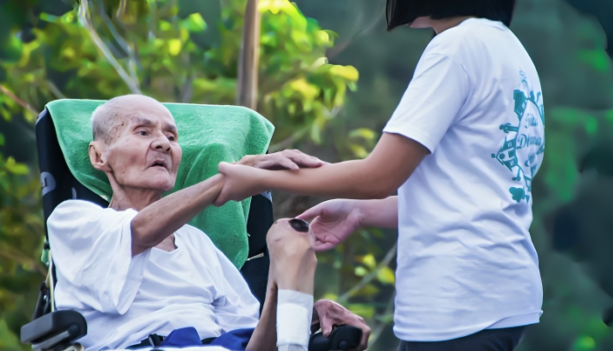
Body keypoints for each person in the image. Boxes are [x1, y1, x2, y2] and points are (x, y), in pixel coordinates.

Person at [215, 0, 544, 350]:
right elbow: (468, 194)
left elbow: (380, 173)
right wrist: (359, 210)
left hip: (458, 302)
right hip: (502, 292)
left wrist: (254, 178)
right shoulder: (511, 53)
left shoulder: (456, 49)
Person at [46, 95, 370, 351]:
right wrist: (234, 174)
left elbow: (249, 337)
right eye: (143, 132)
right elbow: (139, 231)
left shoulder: (197, 244)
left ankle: (288, 279)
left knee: (286, 237)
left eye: (171, 136)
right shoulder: (75, 219)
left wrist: (303, 313)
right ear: (98, 156)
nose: (164, 144)